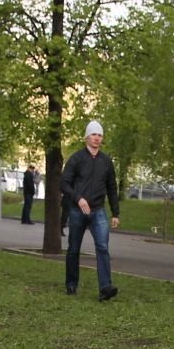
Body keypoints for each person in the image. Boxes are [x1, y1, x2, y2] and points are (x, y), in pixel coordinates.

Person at [59, 120, 121, 301]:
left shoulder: (106, 161)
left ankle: (105, 287)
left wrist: (116, 213)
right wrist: (78, 198)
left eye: (100, 135)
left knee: (102, 247)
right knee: (73, 249)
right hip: (78, 211)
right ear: (87, 137)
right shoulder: (77, 158)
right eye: (94, 134)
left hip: (98, 211)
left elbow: (112, 187)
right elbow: (64, 183)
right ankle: (71, 284)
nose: (97, 138)